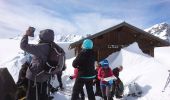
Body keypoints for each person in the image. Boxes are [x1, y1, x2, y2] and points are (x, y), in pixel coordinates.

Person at [20, 27, 63, 100]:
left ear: (43, 37)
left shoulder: (40, 47)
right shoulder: (53, 46)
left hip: (35, 76)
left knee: (31, 96)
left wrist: (26, 35)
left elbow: (23, 46)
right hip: (46, 75)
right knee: (43, 94)